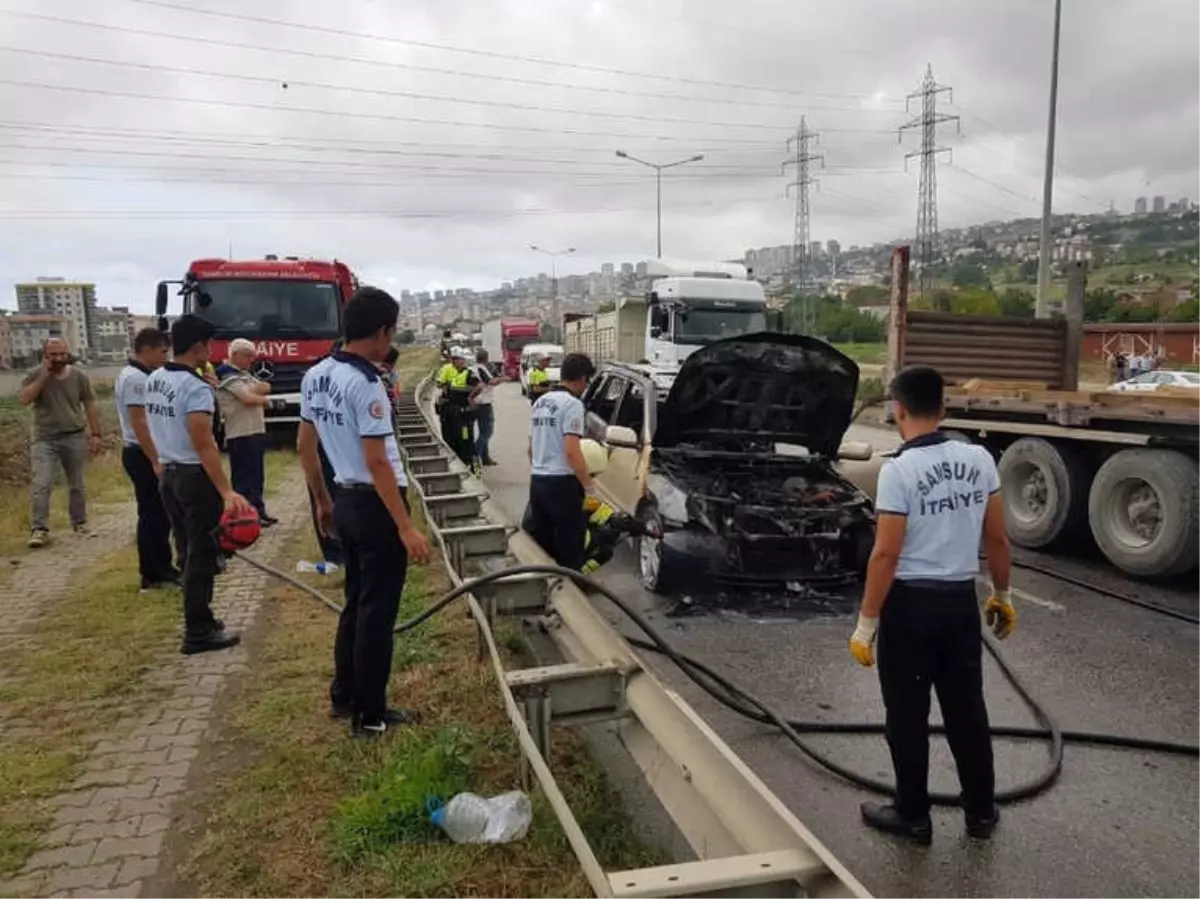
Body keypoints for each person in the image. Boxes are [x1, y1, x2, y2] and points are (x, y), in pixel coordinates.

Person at [849, 365, 1014, 845]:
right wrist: (1001, 594)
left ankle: (913, 816)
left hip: (910, 608)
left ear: (898, 411)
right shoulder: (979, 459)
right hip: (959, 603)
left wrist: (866, 622)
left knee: (907, 713)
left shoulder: (899, 471)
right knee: (967, 708)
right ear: (942, 409)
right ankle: (981, 813)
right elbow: (997, 538)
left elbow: (885, 554)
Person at [297, 286, 432, 738]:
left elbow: (305, 446)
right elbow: (377, 461)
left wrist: (323, 501)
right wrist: (405, 526)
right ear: (380, 332)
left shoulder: (317, 374)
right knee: (376, 615)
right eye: (390, 333)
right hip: (375, 508)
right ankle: (370, 715)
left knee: (355, 603)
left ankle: (344, 696)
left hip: (344, 499)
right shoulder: (367, 383)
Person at [147, 315, 253, 655]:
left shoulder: (156, 378)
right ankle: (197, 632)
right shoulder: (193, 388)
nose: (212, 351)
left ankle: (202, 616)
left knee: (186, 549)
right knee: (201, 554)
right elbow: (204, 443)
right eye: (209, 345)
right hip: (194, 478)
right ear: (198, 347)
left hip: (169, 474)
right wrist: (226, 491)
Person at [18, 337, 104, 547]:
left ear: (68, 354)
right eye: (53, 355)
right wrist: (43, 377)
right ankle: (39, 529)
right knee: (42, 483)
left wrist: (96, 434)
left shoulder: (79, 376)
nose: (58, 358)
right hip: (44, 438)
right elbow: (24, 399)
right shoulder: (35, 375)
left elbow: (90, 404)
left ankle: (80, 522)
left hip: (74, 435)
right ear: (44, 356)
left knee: (77, 483)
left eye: (62, 354)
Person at [115, 328, 180, 590]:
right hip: (141, 452)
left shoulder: (142, 375)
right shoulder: (135, 379)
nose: (165, 357)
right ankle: (153, 574)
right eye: (163, 352)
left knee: (161, 513)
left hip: (147, 450)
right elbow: (139, 422)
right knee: (152, 514)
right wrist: (155, 458)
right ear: (147, 349)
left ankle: (163, 566)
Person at [524, 352, 596, 570]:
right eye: (587, 381)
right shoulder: (573, 405)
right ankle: (570, 588)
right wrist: (588, 487)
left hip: (538, 483)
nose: (586, 386)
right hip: (562, 485)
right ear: (582, 377)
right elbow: (572, 452)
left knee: (543, 548)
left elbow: (530, 450)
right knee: (570, 549)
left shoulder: (540, 402)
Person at [216, 338, 278, 527]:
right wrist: (264, 400)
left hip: (255, 429)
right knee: (243, 478)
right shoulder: (227, 375)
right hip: (239, 433)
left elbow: (266, 386)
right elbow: (247, 398)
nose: (251, 360)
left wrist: (254, 392)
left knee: (257, 476)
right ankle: (245, 516)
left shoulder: (244, 375)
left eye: (252, 356)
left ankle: (258, 510)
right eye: (247, 356)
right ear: (234, 355)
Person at [576, 439, 647, 574]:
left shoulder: (566, 485)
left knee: (605, 552)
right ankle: (575, 576)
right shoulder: (565, 495)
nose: (592, 479)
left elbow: (592, 507)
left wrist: (615, 518)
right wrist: (605, 534)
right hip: (555, 552)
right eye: (592, 475)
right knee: (605, 552)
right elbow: (574, 537)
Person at [438, 347, 480, 471]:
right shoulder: (455, 373)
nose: (454, 361)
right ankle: (461, 466)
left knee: (466, 441)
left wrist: (469, 400)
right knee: (452, 440)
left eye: (457, 359)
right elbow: (446, 388)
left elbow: (477, 387)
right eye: (453, 359)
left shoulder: (469, 373)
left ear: (463, 360)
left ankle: (476, 469)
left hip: (464, 415)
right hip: (453, 413)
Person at [472, 348, 506, 467]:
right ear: (486, 358)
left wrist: (499, 379)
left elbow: (489, 382)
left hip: (477, 403)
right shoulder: (482, 368)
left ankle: (485, 458)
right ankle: (475, 456)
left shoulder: (475, 368)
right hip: (483, 404)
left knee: (483, 432)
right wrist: (503, 379)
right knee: (487, 432)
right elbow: (491, 382)